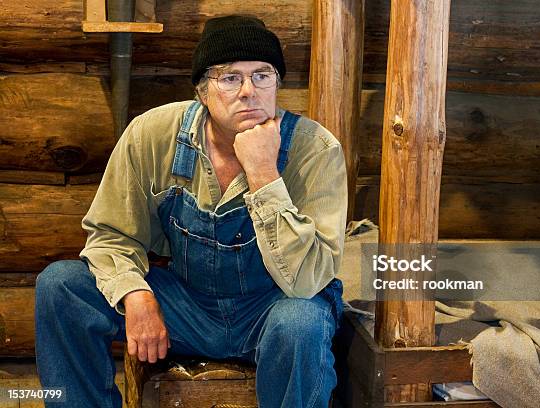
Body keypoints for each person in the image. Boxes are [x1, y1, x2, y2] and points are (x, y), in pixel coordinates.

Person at [35, 15, 347, 408]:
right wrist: (136, 294)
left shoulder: (316, 150)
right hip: (188, 307)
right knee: (62, 286)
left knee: (302, 320)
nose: (249, 91)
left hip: (271, 310)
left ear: (277, 84)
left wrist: (265, 175)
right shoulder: (153, 134)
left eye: (263, 75)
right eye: (230, 78)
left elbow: (307, 281)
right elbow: (111, 234)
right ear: (202, 90)